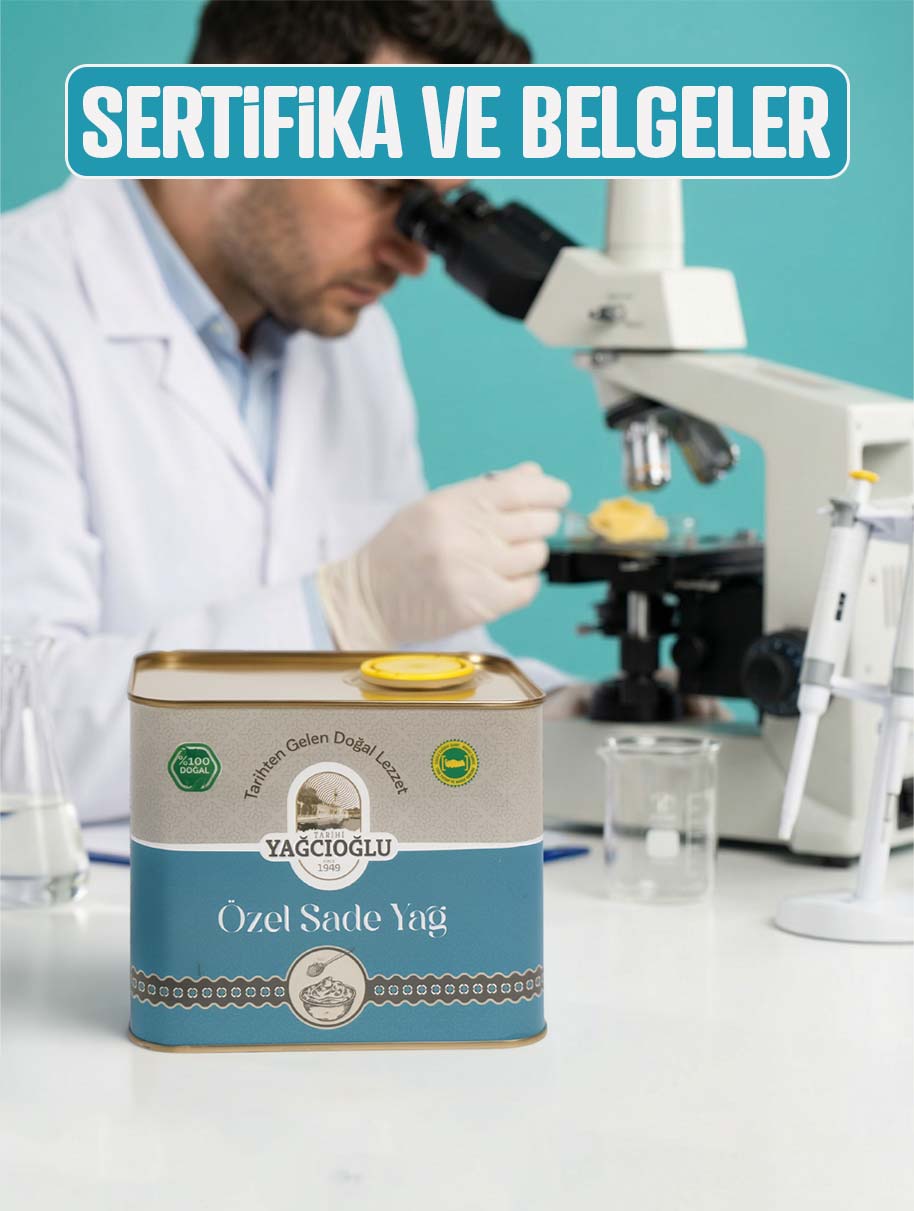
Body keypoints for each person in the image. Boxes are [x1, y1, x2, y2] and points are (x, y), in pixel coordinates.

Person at [1, 0, 576, 823]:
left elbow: (419, 652)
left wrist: (566, 723)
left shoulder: (352, 342)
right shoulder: (21, 309)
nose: (414, 255)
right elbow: (18, 727)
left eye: (437, 205)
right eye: (388, 187)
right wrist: (339, 614)